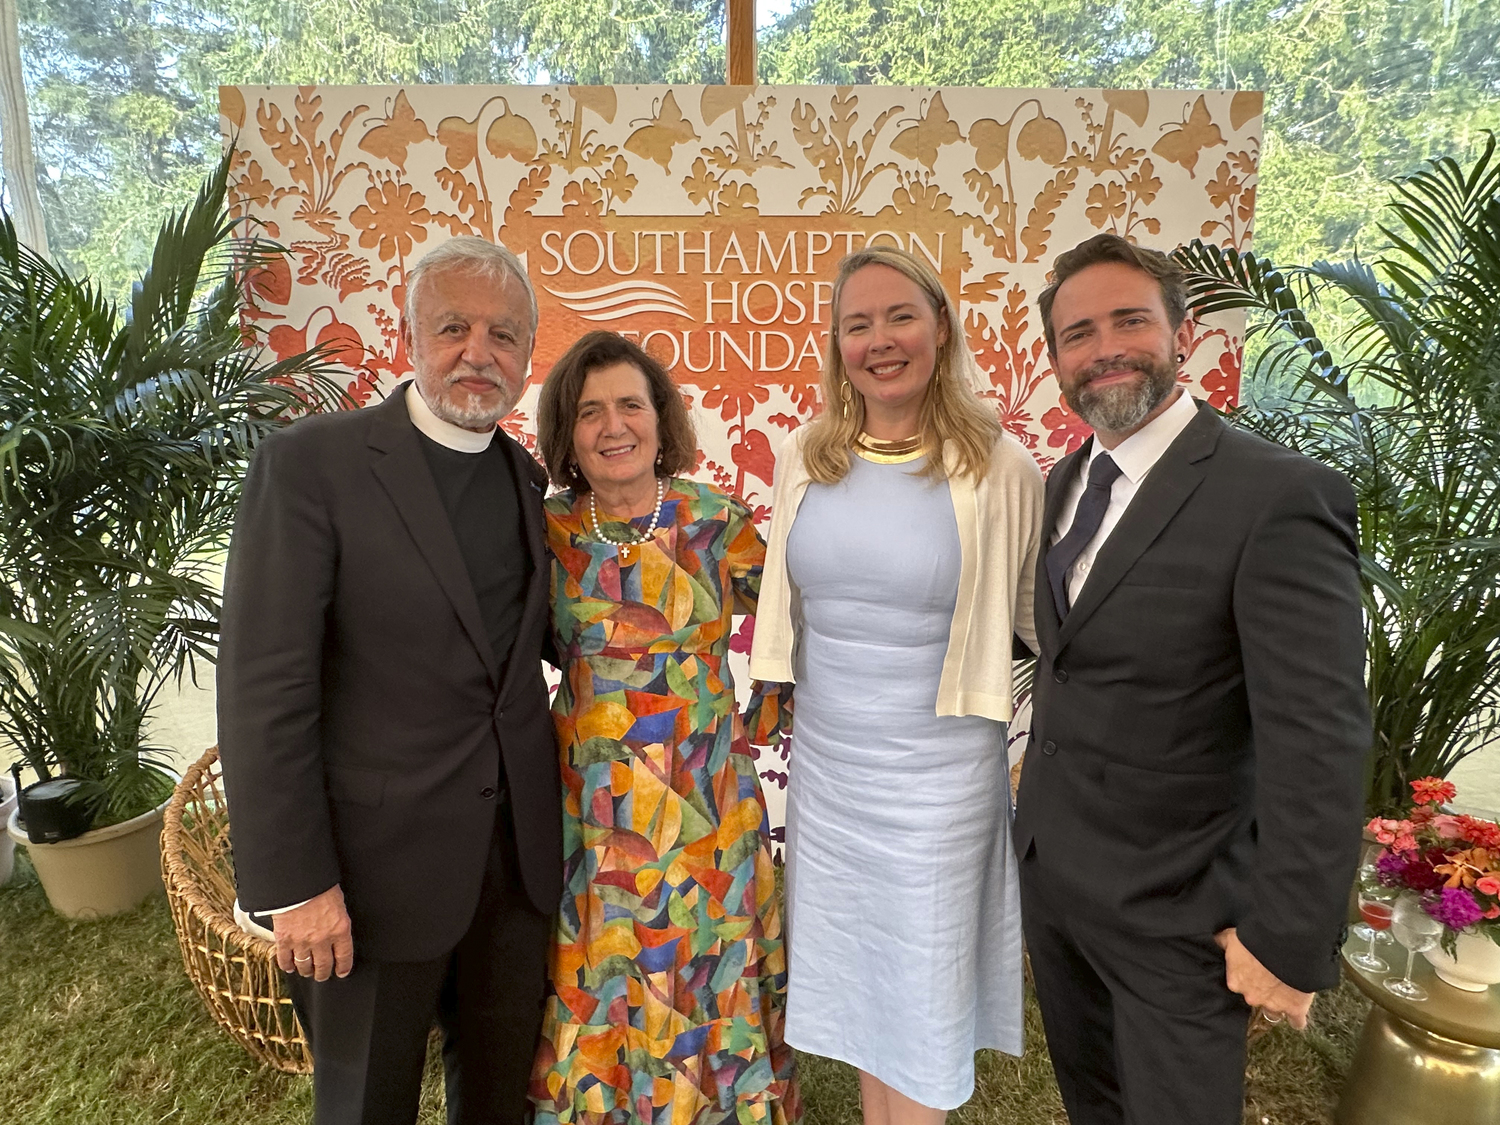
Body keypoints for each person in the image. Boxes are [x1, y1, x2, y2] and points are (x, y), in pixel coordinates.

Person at [1014, 232, 1370, 1125]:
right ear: (1056, 360)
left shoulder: (1275, 496)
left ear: (1183, 332)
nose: (1103, 350)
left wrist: (1284, 937)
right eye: (1077, 334)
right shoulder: (1063, 484)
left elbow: (1319, 733)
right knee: (1094, 1106)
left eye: (1129, 320)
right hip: (1060, 891)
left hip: (1181, 912)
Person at [217, 235, 562, 1125]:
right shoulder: (310, 466)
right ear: (412, 334)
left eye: (505, 335)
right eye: (455, 327)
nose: (479, 353)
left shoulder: (528, 482)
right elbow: (264, 688)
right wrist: (295, 884)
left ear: (528, 355)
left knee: (499, 1100)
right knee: (366, 1105)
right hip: (369, 882)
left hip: (515, 873)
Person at [749, 246, 1044, 1124]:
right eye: (857, 324)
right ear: (837, 343)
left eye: (900, 317)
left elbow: (1038, 622)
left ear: (942, 327)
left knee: (920, 1012)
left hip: (938, 786)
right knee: (871, 1007)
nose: (881, 340)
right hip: (833, 776)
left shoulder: (1001, 465)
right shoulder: (809, 454)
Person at [526, 331, 801, 1125]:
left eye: (630, 404)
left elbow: (805, 611)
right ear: (567, 434)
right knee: (605, 982)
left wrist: (774, 702)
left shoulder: (716, 520)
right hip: (594, 815)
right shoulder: (547, 536)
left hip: (708, 812)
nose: (613, 425)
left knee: (707, 979)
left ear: (660, 417)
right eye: (589, 412)